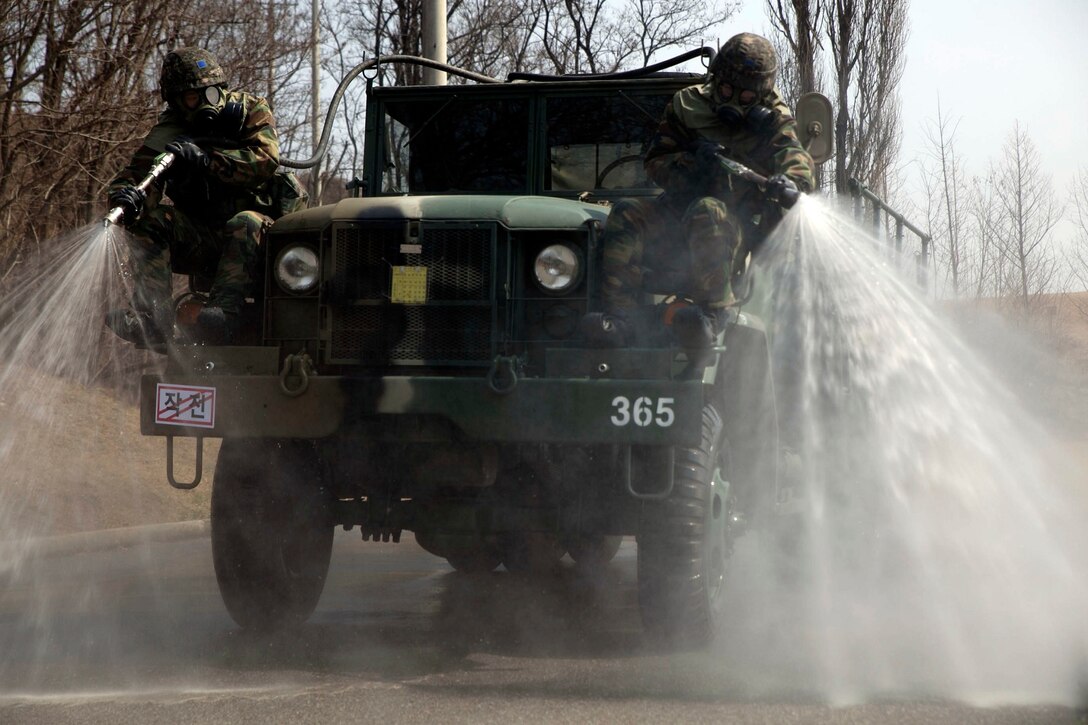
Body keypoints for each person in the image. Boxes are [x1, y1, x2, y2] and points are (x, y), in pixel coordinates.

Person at [594, 32, 815, 347]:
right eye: (726, 89)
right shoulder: (687, 104)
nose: (733, 100)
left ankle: (712, 316)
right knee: (626, 211)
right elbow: (655, 162)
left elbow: (797, 162)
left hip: (736, 227)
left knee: (708, 210)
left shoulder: (776, 120)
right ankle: (621, 319)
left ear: (762, 94)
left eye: (746, 96)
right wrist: (692, 163)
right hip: (678, 211)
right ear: (716, 79)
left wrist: (789, 183)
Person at [105, 47, 281, 346]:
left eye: (211, 92)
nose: (205, 103)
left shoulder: (250, 110)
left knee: (245, 221)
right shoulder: (171, 131)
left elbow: (265, 160)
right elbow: (139, 174)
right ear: (177, 102)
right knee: (153, 222)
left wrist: (206, 161)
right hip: (204, 238)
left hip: (262, 244)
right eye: (192, 97)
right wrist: (127, 200)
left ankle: (224, 315)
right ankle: (153, 318)